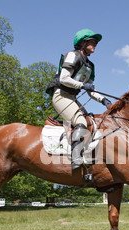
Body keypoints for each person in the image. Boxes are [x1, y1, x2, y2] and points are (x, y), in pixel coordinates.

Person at [46, 29, 111, 170]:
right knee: (80, 121)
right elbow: (63, 78)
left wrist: (104, 100)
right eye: (92, 42)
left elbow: (90, 90)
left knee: (90, 122)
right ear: (82, 43)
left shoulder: (90, 66)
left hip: (72, 98)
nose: (95, 44)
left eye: (95, 42)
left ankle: (86, 159)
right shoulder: (72, 55)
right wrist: (82, 85)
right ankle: (75, 158)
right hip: (61, 95)